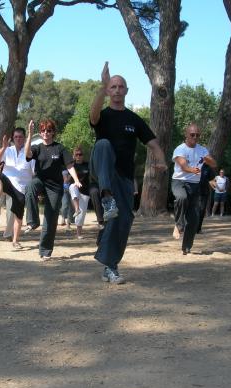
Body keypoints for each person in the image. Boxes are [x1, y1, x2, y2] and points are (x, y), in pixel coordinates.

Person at [89, 62, 167, 283]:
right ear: (108, 91)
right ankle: (106, 198)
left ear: (126, 91)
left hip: (123, 177)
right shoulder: (103, 114)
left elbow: (153, 144)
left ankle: (110, 266)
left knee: (122, 221)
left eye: (119, 87)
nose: (116, 90)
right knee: (103, 144)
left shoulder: (133, 119)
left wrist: (162, 162)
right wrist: (100, 86)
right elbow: (93, 117)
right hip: (102, 169)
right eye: (112, 87)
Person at [24, 119, 82, 260]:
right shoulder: (37, 148)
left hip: (55, 187)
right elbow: (28, 154)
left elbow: (69, 165)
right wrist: (30, 135)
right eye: (43, 130)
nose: (45, 133)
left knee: (51, 219)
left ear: (53, 132)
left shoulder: (60, 148)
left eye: (49, 130)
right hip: (40, 181)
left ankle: (45, 251)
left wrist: (76, 179)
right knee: (30, 186)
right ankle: (33, 221)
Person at [0, 127, 34, 249]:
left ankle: (10, 236)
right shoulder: (8, 150)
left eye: (21, 137)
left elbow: (35, 172)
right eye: (16, 137)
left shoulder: (29, 153)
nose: (18, 139)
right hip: (6, 182)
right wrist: (4, 147)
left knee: (14, 212)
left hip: (20, 187)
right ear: (13, 139)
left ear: (24, 138)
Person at [171, 123, 216, 254]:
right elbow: (184, 166)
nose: (195, 137)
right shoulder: (180, 149)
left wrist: (209, 160)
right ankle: (178, 225)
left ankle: (186, 247)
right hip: (180, 181)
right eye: (192, 134)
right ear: (186, 135)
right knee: (181, 197)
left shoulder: (202, 150)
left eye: (197, 135)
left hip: (195, 185)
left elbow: (214, 163)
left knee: (194, 218)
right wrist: (193, 169)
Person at [68, 146, 91, 239]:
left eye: (80, 154)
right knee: (73, 186)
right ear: (74, 156)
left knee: (82, 213)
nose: (78, 156)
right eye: (76, 154)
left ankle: (78, 234)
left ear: (83, 155)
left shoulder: (88, 165)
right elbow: (66, 178)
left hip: (85, 191)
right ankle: (76, 208)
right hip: (75, 189)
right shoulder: (71, 166)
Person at [197, 163, 216, 234]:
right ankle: (189, 227)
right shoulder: (195, 164)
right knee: (194, 209)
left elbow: (212, 179)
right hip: (195, 191)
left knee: (202, 210)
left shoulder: (208, 168)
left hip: (204, 192)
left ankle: (198, 229)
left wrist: (215, 186)